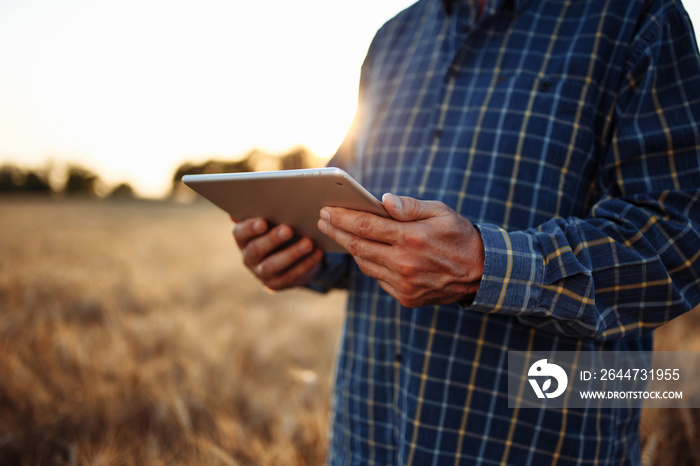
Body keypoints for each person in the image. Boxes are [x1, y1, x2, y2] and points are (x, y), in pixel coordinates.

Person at [232, 0, 700, 463]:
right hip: (367, 443)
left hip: (538, 440)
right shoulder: (393, 38)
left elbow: (678, 236)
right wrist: (298, 249)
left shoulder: (637, 16)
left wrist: (485, 265)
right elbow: (351, 208)